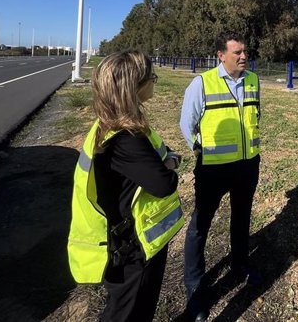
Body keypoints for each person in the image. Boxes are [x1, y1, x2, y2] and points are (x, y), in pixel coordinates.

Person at [68, 51, 185, 322]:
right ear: (134, 87)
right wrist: (168, 164)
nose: (154, 81)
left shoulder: (110, 127)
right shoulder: (127, 140)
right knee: (129, 313)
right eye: (151, 77)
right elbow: (164, 184)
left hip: (124, 240)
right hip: (133, 249)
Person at [180, 31, 261, 320]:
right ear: (221, 55)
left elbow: (256, 116)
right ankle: (195, 286)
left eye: (245, 51)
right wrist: (203, 152)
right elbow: (186, 124)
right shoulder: (201, 83)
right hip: (213, 169)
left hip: (247, 165)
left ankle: (240, 265)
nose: (243, 56)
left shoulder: (253, 80)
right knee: (200, 225)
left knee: (241, 218)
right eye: (237, 52)